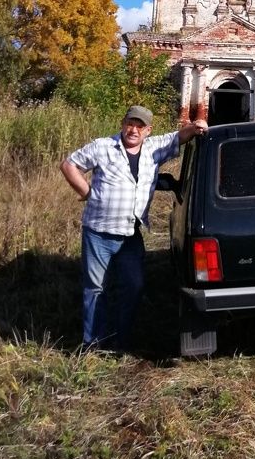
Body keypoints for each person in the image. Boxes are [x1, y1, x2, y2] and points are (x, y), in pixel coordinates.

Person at [60, 105, 208, 351]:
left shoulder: (153, 149)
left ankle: (121, 340)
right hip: (98, 232)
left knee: (134, 286)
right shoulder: (102, 147)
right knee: (96, 289)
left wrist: (196, 126)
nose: (134, 130)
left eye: (140, 126)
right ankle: (93, 343)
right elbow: (69, 165)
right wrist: (87, 192)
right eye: (130, 123)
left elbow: (179, 136)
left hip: (131, 234)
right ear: (123, 123)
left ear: (148, 130)